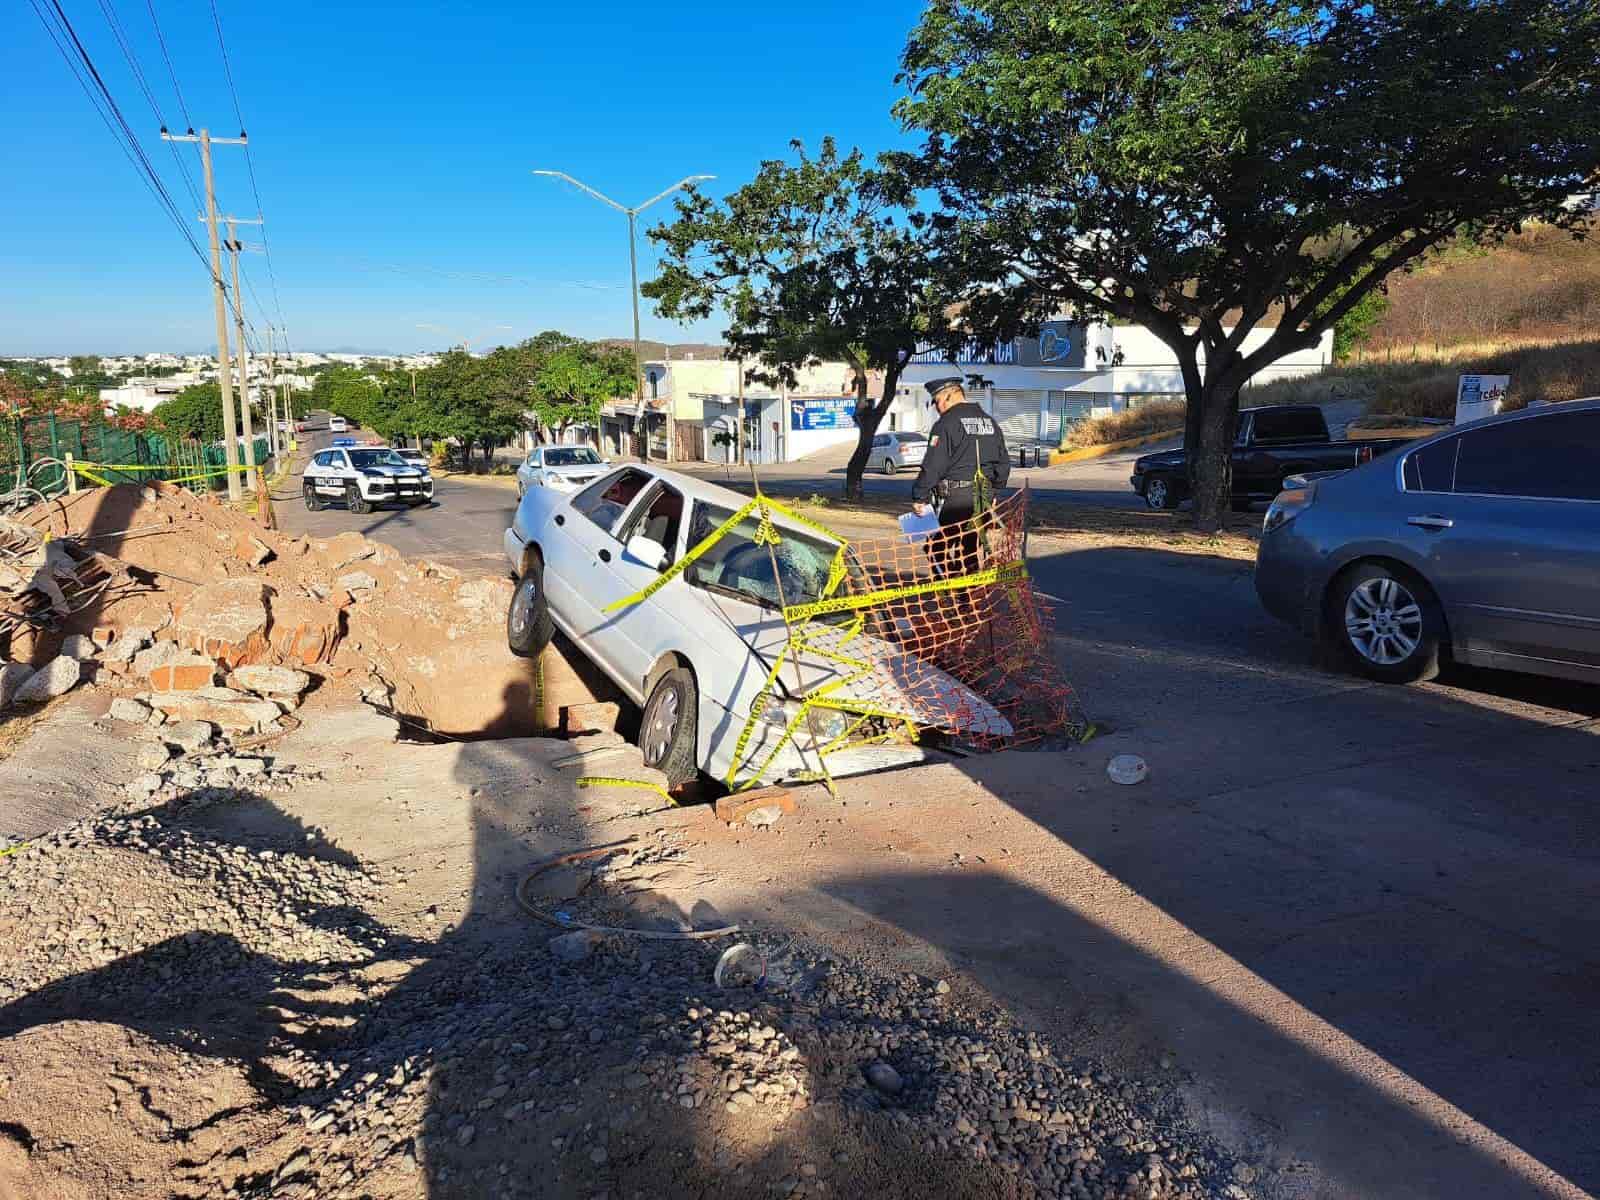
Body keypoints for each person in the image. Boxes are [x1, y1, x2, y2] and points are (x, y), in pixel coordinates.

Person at [911, 376, 1011, 578]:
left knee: (935, 548)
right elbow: (1003, 463)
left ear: (949, 396)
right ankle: (969, 595)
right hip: (982, 498)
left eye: (937, 401)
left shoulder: (946, 423)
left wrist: (919, 496)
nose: (936, 407)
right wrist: (995, 491)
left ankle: (951, 592)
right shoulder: (990, 422)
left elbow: (933, 465)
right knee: (971, 548)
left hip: (957, 498)